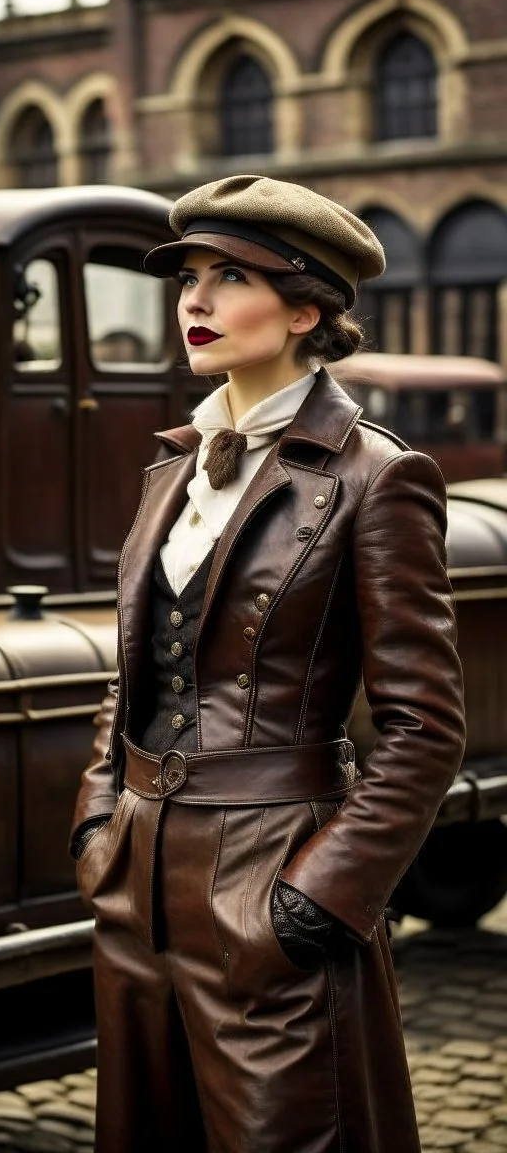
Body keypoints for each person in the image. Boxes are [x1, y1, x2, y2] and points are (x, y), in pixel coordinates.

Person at [70, 174, 465, 1153]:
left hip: (270, 880)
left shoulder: (379, 478)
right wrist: (96, 825)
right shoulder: (171, 466)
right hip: (135, 879)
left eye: (228, 276)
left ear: (305, 310)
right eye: (187, 276)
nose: (193, 301)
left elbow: (426, 726)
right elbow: (134, 672)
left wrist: (318, 898)